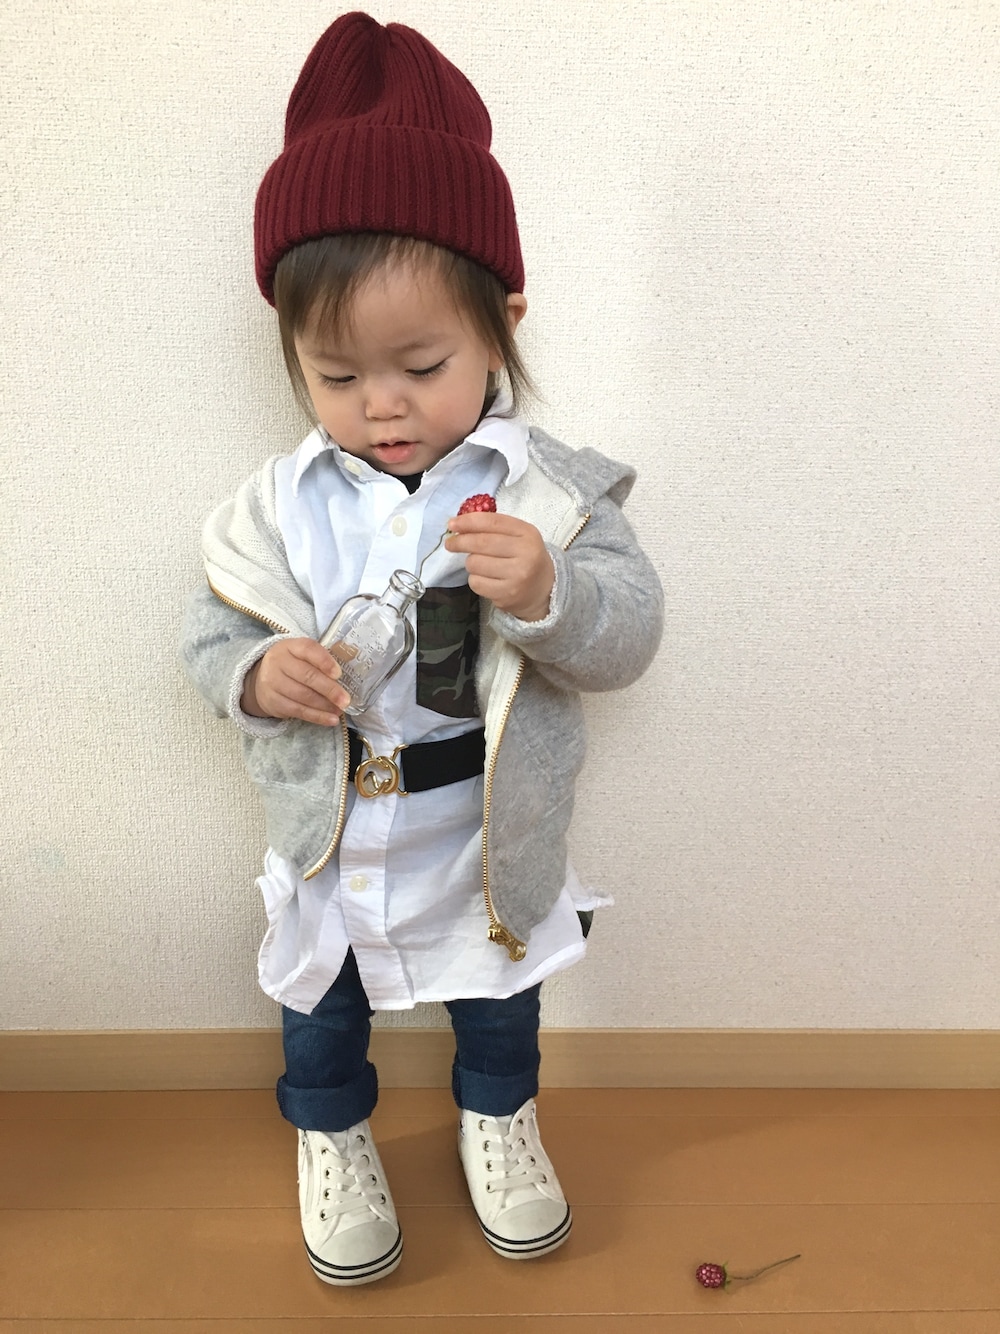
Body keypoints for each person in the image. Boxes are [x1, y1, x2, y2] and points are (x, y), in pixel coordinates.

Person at [180, 11, 663, 1288]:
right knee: (319, 1007)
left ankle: (498, 1120)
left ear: (502, 321)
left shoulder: (553, 494)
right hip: (333, 828)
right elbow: (210, 627)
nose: (381, 404)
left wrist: (551, 590)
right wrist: (252, 673)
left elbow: (630, 633)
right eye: (336, 375)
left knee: (499, 1001)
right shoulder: (280, 505)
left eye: (421, 363)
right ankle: (330, 1133)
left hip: (482, 830)